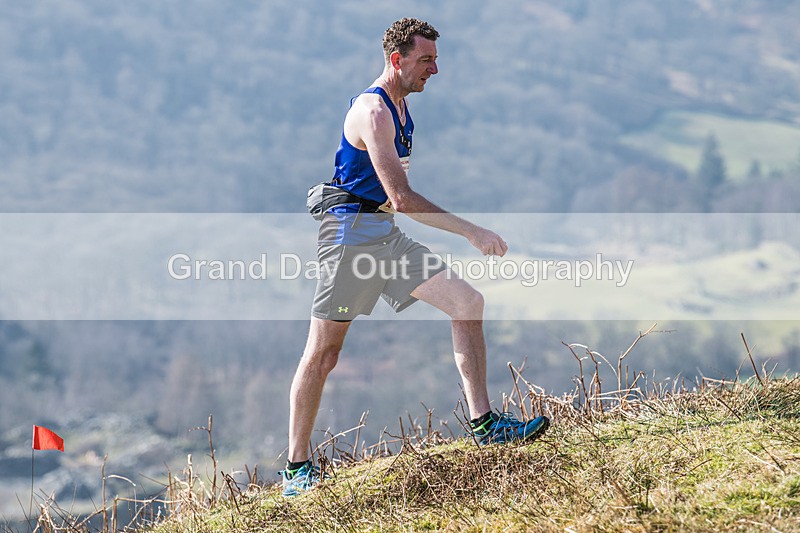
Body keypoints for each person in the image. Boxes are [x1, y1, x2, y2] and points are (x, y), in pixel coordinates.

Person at [281, 17, 548, 497]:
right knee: (323, 354)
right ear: (396, 59)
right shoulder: (374, 111)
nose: (435, 70)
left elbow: (391, 202)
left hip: (382, 235)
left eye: (436, 60)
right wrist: (472, 231)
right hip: (349, 240)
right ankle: (296, 471)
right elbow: (401, 198)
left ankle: (485, 425)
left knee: (467, 303)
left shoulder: (403, 109)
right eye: (426, 60)